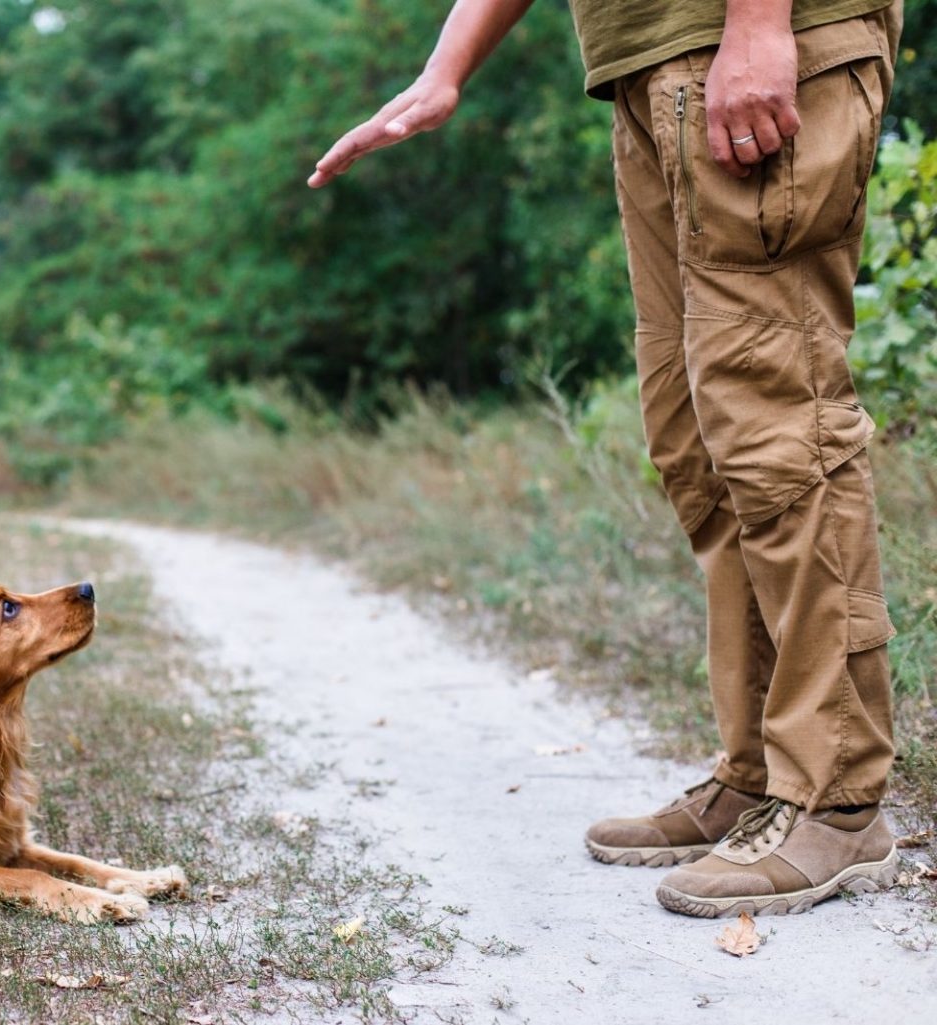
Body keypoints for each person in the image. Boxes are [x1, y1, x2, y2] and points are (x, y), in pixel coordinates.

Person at [310, 0, 904, 918]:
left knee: (779, 425)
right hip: (649, 66)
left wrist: (756, 24)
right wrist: (448, 66)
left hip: (750, 44)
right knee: (698, 444)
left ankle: (837, 795)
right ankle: (758, 775)